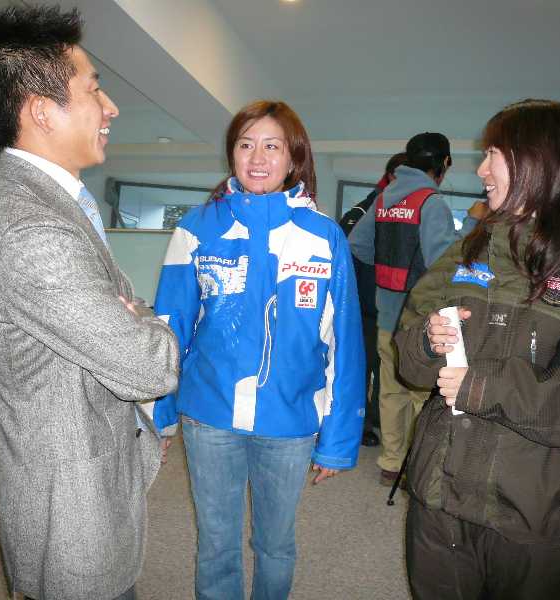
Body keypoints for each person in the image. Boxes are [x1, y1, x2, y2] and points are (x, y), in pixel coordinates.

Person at [394, 99, 560, 599]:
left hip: (538, 515)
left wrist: (489, 387)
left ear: (536, 161)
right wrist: (427, 341)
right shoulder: (467, 250)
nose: (481, 170)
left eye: (493, 155)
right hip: (440, 499)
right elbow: (409, 356)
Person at [0, 6, 179, 600]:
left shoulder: (56, 206)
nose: (111, 107)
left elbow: (121, 307)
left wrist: (129, 315)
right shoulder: (29, 229)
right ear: (40, 110)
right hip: (70, 508)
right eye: (94, 89)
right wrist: (154, 325)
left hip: (87, 472)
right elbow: (147, 367)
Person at [153, 100, 365, 600]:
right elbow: (168, 328)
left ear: (294, 157)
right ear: (232, 153)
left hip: (290, 420)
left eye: (272, 145)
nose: (258, 157)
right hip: (210, 414)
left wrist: (338, 440)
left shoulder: (324, 237)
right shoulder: (197, 228)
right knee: (216, 544)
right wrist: (160, 413)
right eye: (246, 144)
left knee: (275, 545)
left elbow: (345, 344)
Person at [349, 133, 487, 485]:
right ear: (445, 163)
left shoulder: (384, 198)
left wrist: (388, 274)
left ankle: (391, 462)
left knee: (390, 390)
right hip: (420, 320)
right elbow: (446, 260)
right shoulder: (431, 202)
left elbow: (358, 245)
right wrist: (472, 225)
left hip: (386, 314)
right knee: (419, 393)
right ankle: (413, 465)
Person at [339, 152, 407, 447]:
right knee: (361, 368)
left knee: (387, 369)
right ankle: (359, 423)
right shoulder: (365, 210)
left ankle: (379, 417)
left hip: (393, 308)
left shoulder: (409, 209)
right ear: (391, 176)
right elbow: (345, 258)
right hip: (363, 306)